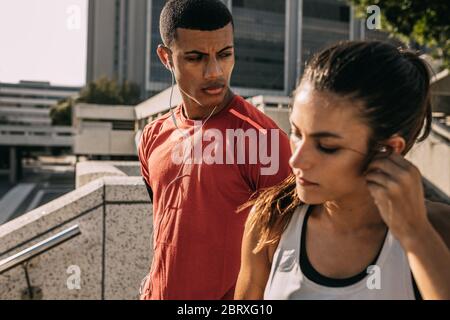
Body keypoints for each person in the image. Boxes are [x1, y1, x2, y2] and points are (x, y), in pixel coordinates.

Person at [235, 41, 450, 300]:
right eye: (296, 132)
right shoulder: (272, 220)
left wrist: (416, 235)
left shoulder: (438, 229)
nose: (296, 160)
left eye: (326, 146)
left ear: (387, 149)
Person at [138, 0, 292, 300]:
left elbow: (287, 259)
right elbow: (168, 230)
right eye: (195, 58)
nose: (214, 72)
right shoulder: (151, 136)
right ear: (166, 57)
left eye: (225, 54)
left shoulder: (265, 139)